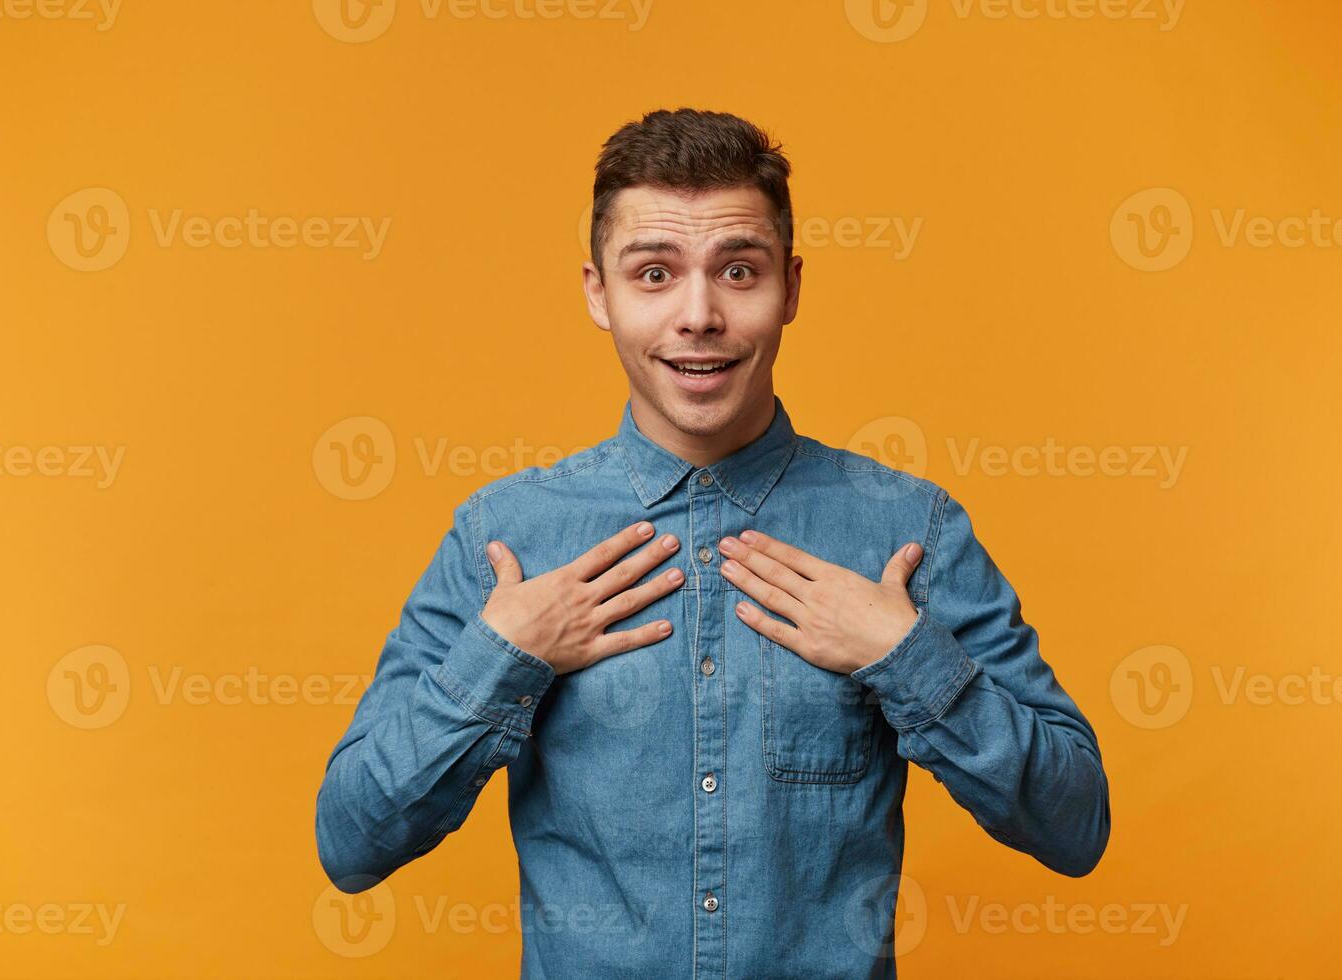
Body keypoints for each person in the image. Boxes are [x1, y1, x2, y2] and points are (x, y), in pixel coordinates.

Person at [315, 106, 1110, 979]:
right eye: (654, 273)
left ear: (792, 288)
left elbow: (1076, 828)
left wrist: (905, 655)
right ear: (597, 293)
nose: (699, 315)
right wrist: (505, 657)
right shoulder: (505, 538)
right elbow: (350, 845)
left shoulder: (906, 532)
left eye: (738, 270)